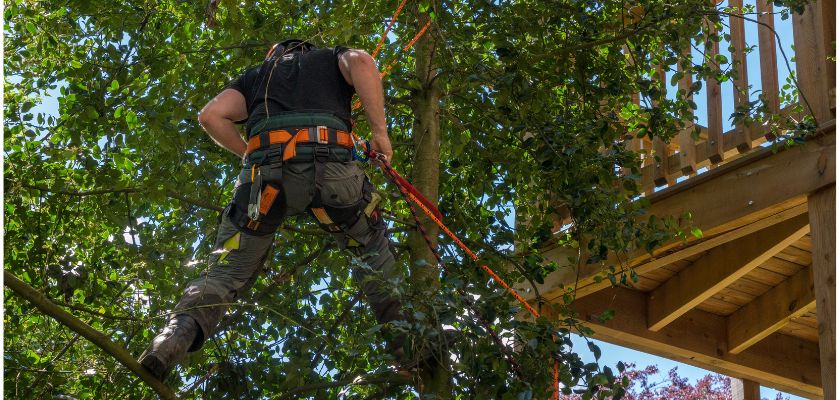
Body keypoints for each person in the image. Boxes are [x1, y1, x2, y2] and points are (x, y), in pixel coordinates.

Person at [138, 39, 406, 381]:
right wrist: (380, 135)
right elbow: (363, 63)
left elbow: (210, 117)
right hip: (334, 173)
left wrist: (253, 156)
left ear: (273, 56)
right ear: (306, 50)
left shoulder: (255, 77)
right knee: (372, 250)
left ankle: (172, 338)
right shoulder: (329, 58)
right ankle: (411, 349)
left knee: (224, 273)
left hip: (263, 182)